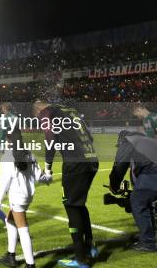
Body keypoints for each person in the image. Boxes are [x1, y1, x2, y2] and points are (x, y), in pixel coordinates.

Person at [33, 100, 99, 268]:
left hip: (75, 164)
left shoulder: (47, 113)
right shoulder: (71, 110)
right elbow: (89, 136)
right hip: (91, 159)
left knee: (70, 205)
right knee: (79, 204)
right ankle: (90, 245)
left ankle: (80, 258)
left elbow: (50, 139)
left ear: (38, 109)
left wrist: (47, 168)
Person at [109, 130, 157, 252]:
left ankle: (148, 243)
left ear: (122, 139)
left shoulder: (128, 141)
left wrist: (114, 186)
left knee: (138, 200)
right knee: (145, 200)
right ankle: (148, 237)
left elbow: (119, 166)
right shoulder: (149, 141)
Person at [0, 129, 52, 268]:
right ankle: (10, 254)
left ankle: (30, 264)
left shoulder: (8, 156)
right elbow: (39, 176)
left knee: (23, 229)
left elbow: (4, 183)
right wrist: (48, 177)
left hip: (17, 197)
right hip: (27, 196)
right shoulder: (29, 153)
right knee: (9, 220)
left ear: (8, 140)